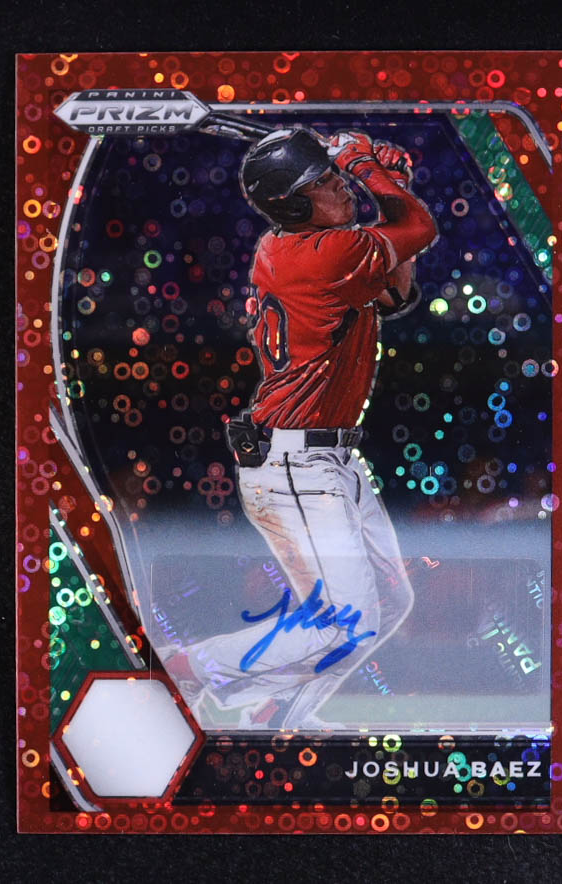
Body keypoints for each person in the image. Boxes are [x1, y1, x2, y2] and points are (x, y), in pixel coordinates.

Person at [168, 127, 437, 729]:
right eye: (320, 181)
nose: (337, 184)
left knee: (390, 600)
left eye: (333, 174)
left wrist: (392, 183)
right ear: (290, 206)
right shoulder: (324, 254)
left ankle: (276, 710)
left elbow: (398, 292)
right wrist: (367, 167)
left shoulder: (322, 250)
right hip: (294, 463)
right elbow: (419, 228)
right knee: (348, 623)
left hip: (327, 460)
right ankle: (185, 666)